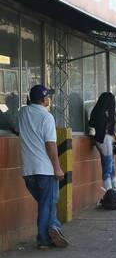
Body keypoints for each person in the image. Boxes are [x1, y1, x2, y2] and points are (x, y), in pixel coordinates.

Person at [17, 85, 69, 249]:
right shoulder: (47, 117)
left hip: (27, 170)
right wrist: (57, 167)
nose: (50, 100)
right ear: (43, 99)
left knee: (46, 204)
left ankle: (53, 228)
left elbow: (17, 129)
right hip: (45, 169)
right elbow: (50, 144)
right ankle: (45, 237)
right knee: (48, 203)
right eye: (48, 97)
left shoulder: (22, 113)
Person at [89, 92, 116, 204]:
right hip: (106, 141)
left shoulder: (96, 111)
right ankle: (111, 194)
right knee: (109, 169)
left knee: (110, 167)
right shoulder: (109, 113)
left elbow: (91, 124)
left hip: (101, 141)